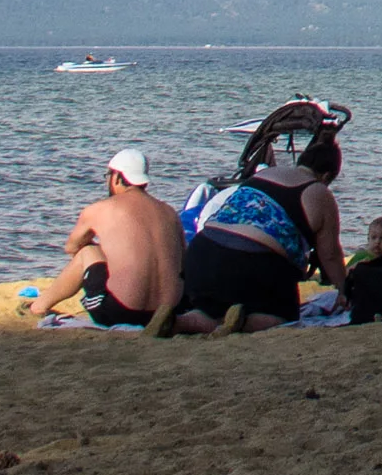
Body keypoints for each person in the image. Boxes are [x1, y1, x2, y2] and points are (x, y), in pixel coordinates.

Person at [172, 123, 348, 333]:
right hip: (252, 263)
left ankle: (181, 322)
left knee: (208, 308)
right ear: (327, 176)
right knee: (283, 316)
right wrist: (343, 291)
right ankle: (241, 324)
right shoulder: (318, 192)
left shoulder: (264, 175)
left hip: (202, 254)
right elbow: (330, 255)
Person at [22, 148, 184, 331]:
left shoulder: (100, 209)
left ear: (116, 177)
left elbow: (72, 247)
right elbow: (183, 260)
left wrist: (106, 255)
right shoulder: (170, 212)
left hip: (120, 311)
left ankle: (38, 307)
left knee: (87, 252)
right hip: (166, 314)